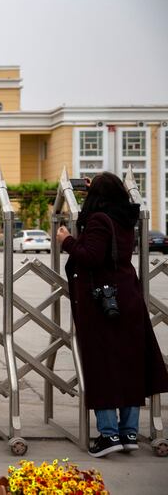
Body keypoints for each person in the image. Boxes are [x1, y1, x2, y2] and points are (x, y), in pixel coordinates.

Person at [56, 172, 168, 458]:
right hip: (127, 297)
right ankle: (129, 433)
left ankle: (108, 436)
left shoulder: (98, 220)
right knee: (129, 365)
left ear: (98, 197)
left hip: (102, 303)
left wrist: (67, 241)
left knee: (103, 367)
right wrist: (97, 187)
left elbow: (91, 256)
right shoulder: (124, 218)